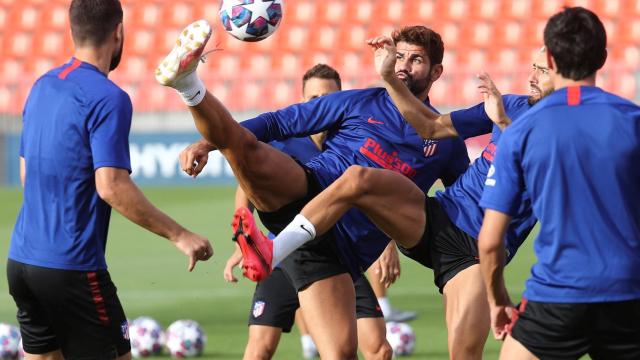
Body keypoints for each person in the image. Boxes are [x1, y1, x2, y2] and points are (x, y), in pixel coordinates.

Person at [161, 21, 469, 358]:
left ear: (437, 71)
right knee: (244, 148)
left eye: (416, 60)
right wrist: (207, 145)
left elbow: (460, 209)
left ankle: (271, 250)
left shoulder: (445, 143)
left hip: (340, 252)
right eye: (400, 57)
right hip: (308, 193)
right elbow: (278, 122)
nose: (405, 67)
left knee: (340, 354)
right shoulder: (358, 102)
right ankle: (188, 83)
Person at [233, 38, 555, 359]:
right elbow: (430, 125)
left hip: (475, 252)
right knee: (358, 179)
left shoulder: (561, 134)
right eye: (533, 68)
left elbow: (531, 170)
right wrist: (389, 77)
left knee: (464, 351)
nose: (531, 77)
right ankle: (272, 250)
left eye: (542, 70)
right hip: (437, 218)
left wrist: (502, 125)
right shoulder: (512, 102)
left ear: (565, 74)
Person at [6, 1, 213, 359]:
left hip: (22, 263)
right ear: (119, 32)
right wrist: (181, 235)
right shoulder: (108, 98)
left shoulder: (41, 86)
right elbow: (111, 185)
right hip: (72, 268)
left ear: (72, 30)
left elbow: (28, 174)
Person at [478, 7, 640, 359]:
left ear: (549, 58)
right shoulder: (633, 121)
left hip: (556, 295)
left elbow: (490, 242)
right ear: (602, 57)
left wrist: (498, 301)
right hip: (629, 293)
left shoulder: (520, 130)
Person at [221, 64, 391, 360]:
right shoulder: (282, 143)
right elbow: (248, 186)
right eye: (313, 99)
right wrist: (243, 239)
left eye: (328, 97)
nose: (321, 104)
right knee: (260, 347)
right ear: (302, 99)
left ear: (341, 98)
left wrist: (387, 244)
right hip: (285, 253)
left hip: (338, 254)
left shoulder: (356, 140)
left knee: (378, 348)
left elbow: (372, 194)